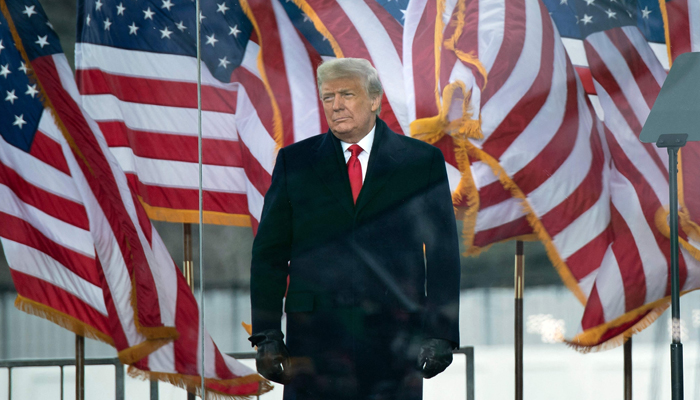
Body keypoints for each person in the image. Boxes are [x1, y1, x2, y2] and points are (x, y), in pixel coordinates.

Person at [249, 58, 461, 400]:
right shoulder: (295, 163)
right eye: (328, 97)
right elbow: (269, 256)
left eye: (347, 94)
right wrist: (267, 334)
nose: (336, 105)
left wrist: (441, 333)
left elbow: (443, 256)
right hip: (314, 343)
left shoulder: (420, 163)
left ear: (374, 100)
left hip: (394, 339)